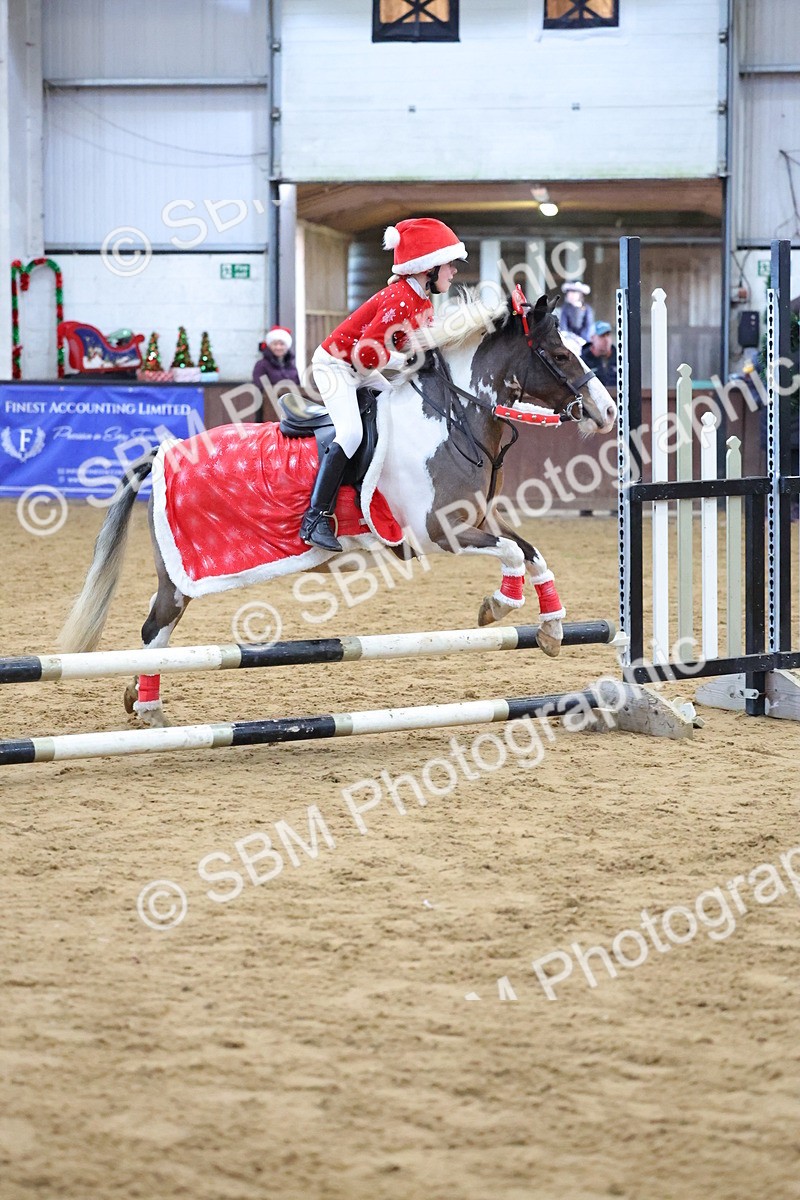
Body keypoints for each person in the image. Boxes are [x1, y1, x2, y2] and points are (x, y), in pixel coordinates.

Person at [301, 217, 467, 552]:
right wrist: (404, 361)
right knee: (350, 433)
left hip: (358, 368)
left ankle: (383, 506)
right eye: (450, 265)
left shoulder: (419, 300)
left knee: (397, 413)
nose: (454, 272)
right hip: (336, 367)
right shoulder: (401, 299)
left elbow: (427, 345)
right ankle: (315, 518)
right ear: (430, 268)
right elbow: (365, 355)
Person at [253, 326, 301, 416]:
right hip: (268, 411)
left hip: (291, 411)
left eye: (282, 344)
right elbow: (260, 387)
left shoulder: (292, 366)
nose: (278, 347)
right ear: (269, 345)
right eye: (275, 344)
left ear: (287, 346)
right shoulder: (261, 365)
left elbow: (298, 387)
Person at [580, 320, 618, 388]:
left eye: (608, 335)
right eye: (602, 336)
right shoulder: (582, 362)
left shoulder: (620, 360)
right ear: (592, 338)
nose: (606, 339)